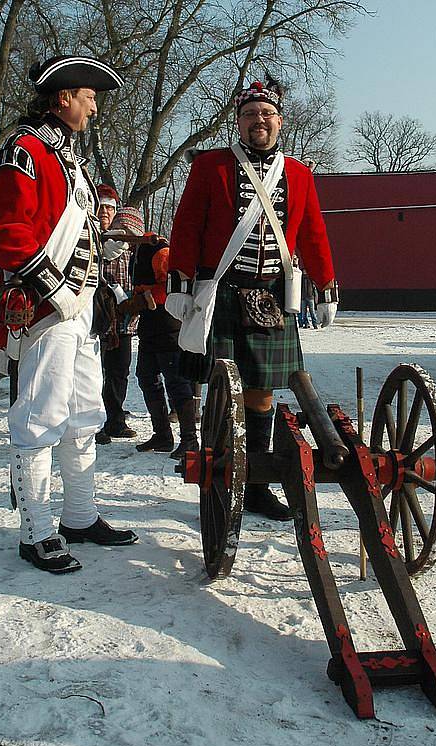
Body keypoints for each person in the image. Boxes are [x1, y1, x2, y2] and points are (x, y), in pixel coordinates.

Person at [0, 55, 138, 574]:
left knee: (84, 413)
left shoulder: (69, 160)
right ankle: (37, 533)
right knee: (41, 416)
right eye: (89, 95)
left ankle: (78, 515)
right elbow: (4, 230)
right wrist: (54, 288)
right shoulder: (25, 150)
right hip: (47, 310)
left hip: (80, 308)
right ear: (64, 98)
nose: (95, 106)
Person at [166, 76, 338, 521]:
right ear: (237, 123)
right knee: (222, 389)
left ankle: (256, 484)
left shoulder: (299, 174)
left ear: (280, 121)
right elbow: (187, 225)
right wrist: (179, 283)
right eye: (249, 115)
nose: (257, 121)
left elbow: (314, 232)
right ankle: (221, 474)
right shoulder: (211, 166)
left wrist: (326, 282)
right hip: (220, 289)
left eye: (266, 114)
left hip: (272, 294)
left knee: (261, 394)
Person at [131, 230, 199, 460]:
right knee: (146, 378)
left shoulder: (159, 250)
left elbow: (173, 286)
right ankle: (162, 434)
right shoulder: (138, 252)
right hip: (149, 329)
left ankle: (190, 440)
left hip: (169, 327)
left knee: (177, 384)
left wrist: (145, 297)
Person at [96, 192, 139, 444]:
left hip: (123, 320)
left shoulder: (126, 244)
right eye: (101, 207)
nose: (104, 212)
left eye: (109, 209)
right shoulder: (90, 239)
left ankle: (115, 421)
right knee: (92, 374)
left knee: (118, 372)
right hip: (97, 320)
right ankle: (94, 423)